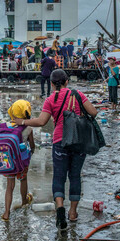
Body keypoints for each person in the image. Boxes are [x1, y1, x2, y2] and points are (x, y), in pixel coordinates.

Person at [15, 69, 98, 230]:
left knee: (59, 176)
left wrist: (22, 122)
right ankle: (72, 213)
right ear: (67, 81)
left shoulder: (50, 99)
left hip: (60, 141)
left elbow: (41, 122)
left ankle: (60, 209)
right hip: (79, 142)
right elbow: (94, 112)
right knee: (75, 176)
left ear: (52, 84)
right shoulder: (78, 95)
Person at [1, 100, 36, 221]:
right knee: (23, 180)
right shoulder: (28, 128)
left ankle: (6, 213)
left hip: (9, 161)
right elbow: (32, 145)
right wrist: (32, 151)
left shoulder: (6, 126)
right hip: (21, 162)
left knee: (9, 186)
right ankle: (24, 202)